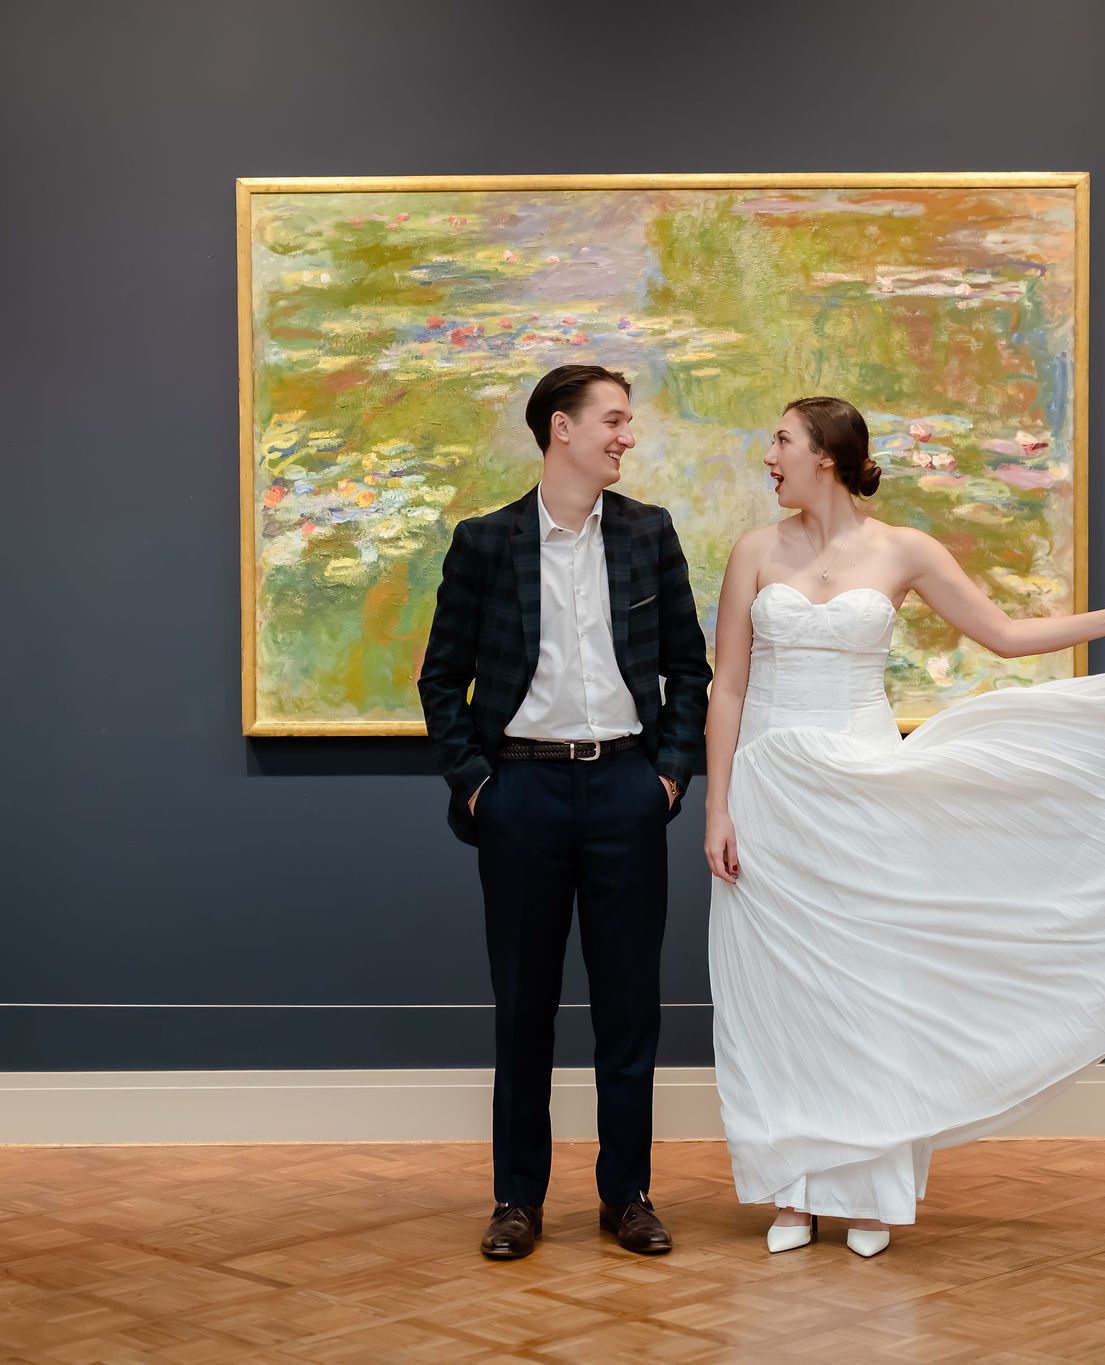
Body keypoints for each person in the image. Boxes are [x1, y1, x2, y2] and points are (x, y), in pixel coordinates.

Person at [704, 397, 1105, 1258]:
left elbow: (1007, 635)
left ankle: (870, 1192)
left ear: (827, 456)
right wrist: (720, 805)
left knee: (871, 993)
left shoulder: (905, 549)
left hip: (867, 792)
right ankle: (790, 1191)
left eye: (782, 440)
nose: (769, 454)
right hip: (771, 793)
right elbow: (727, 685)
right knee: (773, 996)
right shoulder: (753, 552)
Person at [418, 364, 712, 1260]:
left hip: (626, 790)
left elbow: (688, 671)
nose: (627, 436)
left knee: (629, 1009)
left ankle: (628, 1195)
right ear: (561, 429)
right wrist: (477, 785)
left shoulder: (649, 535)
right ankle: (517, 1199)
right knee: (524, 1009)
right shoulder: (485, 542)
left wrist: (665, 776)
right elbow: (441, 679)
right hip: (523, 796)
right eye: (614, 421)